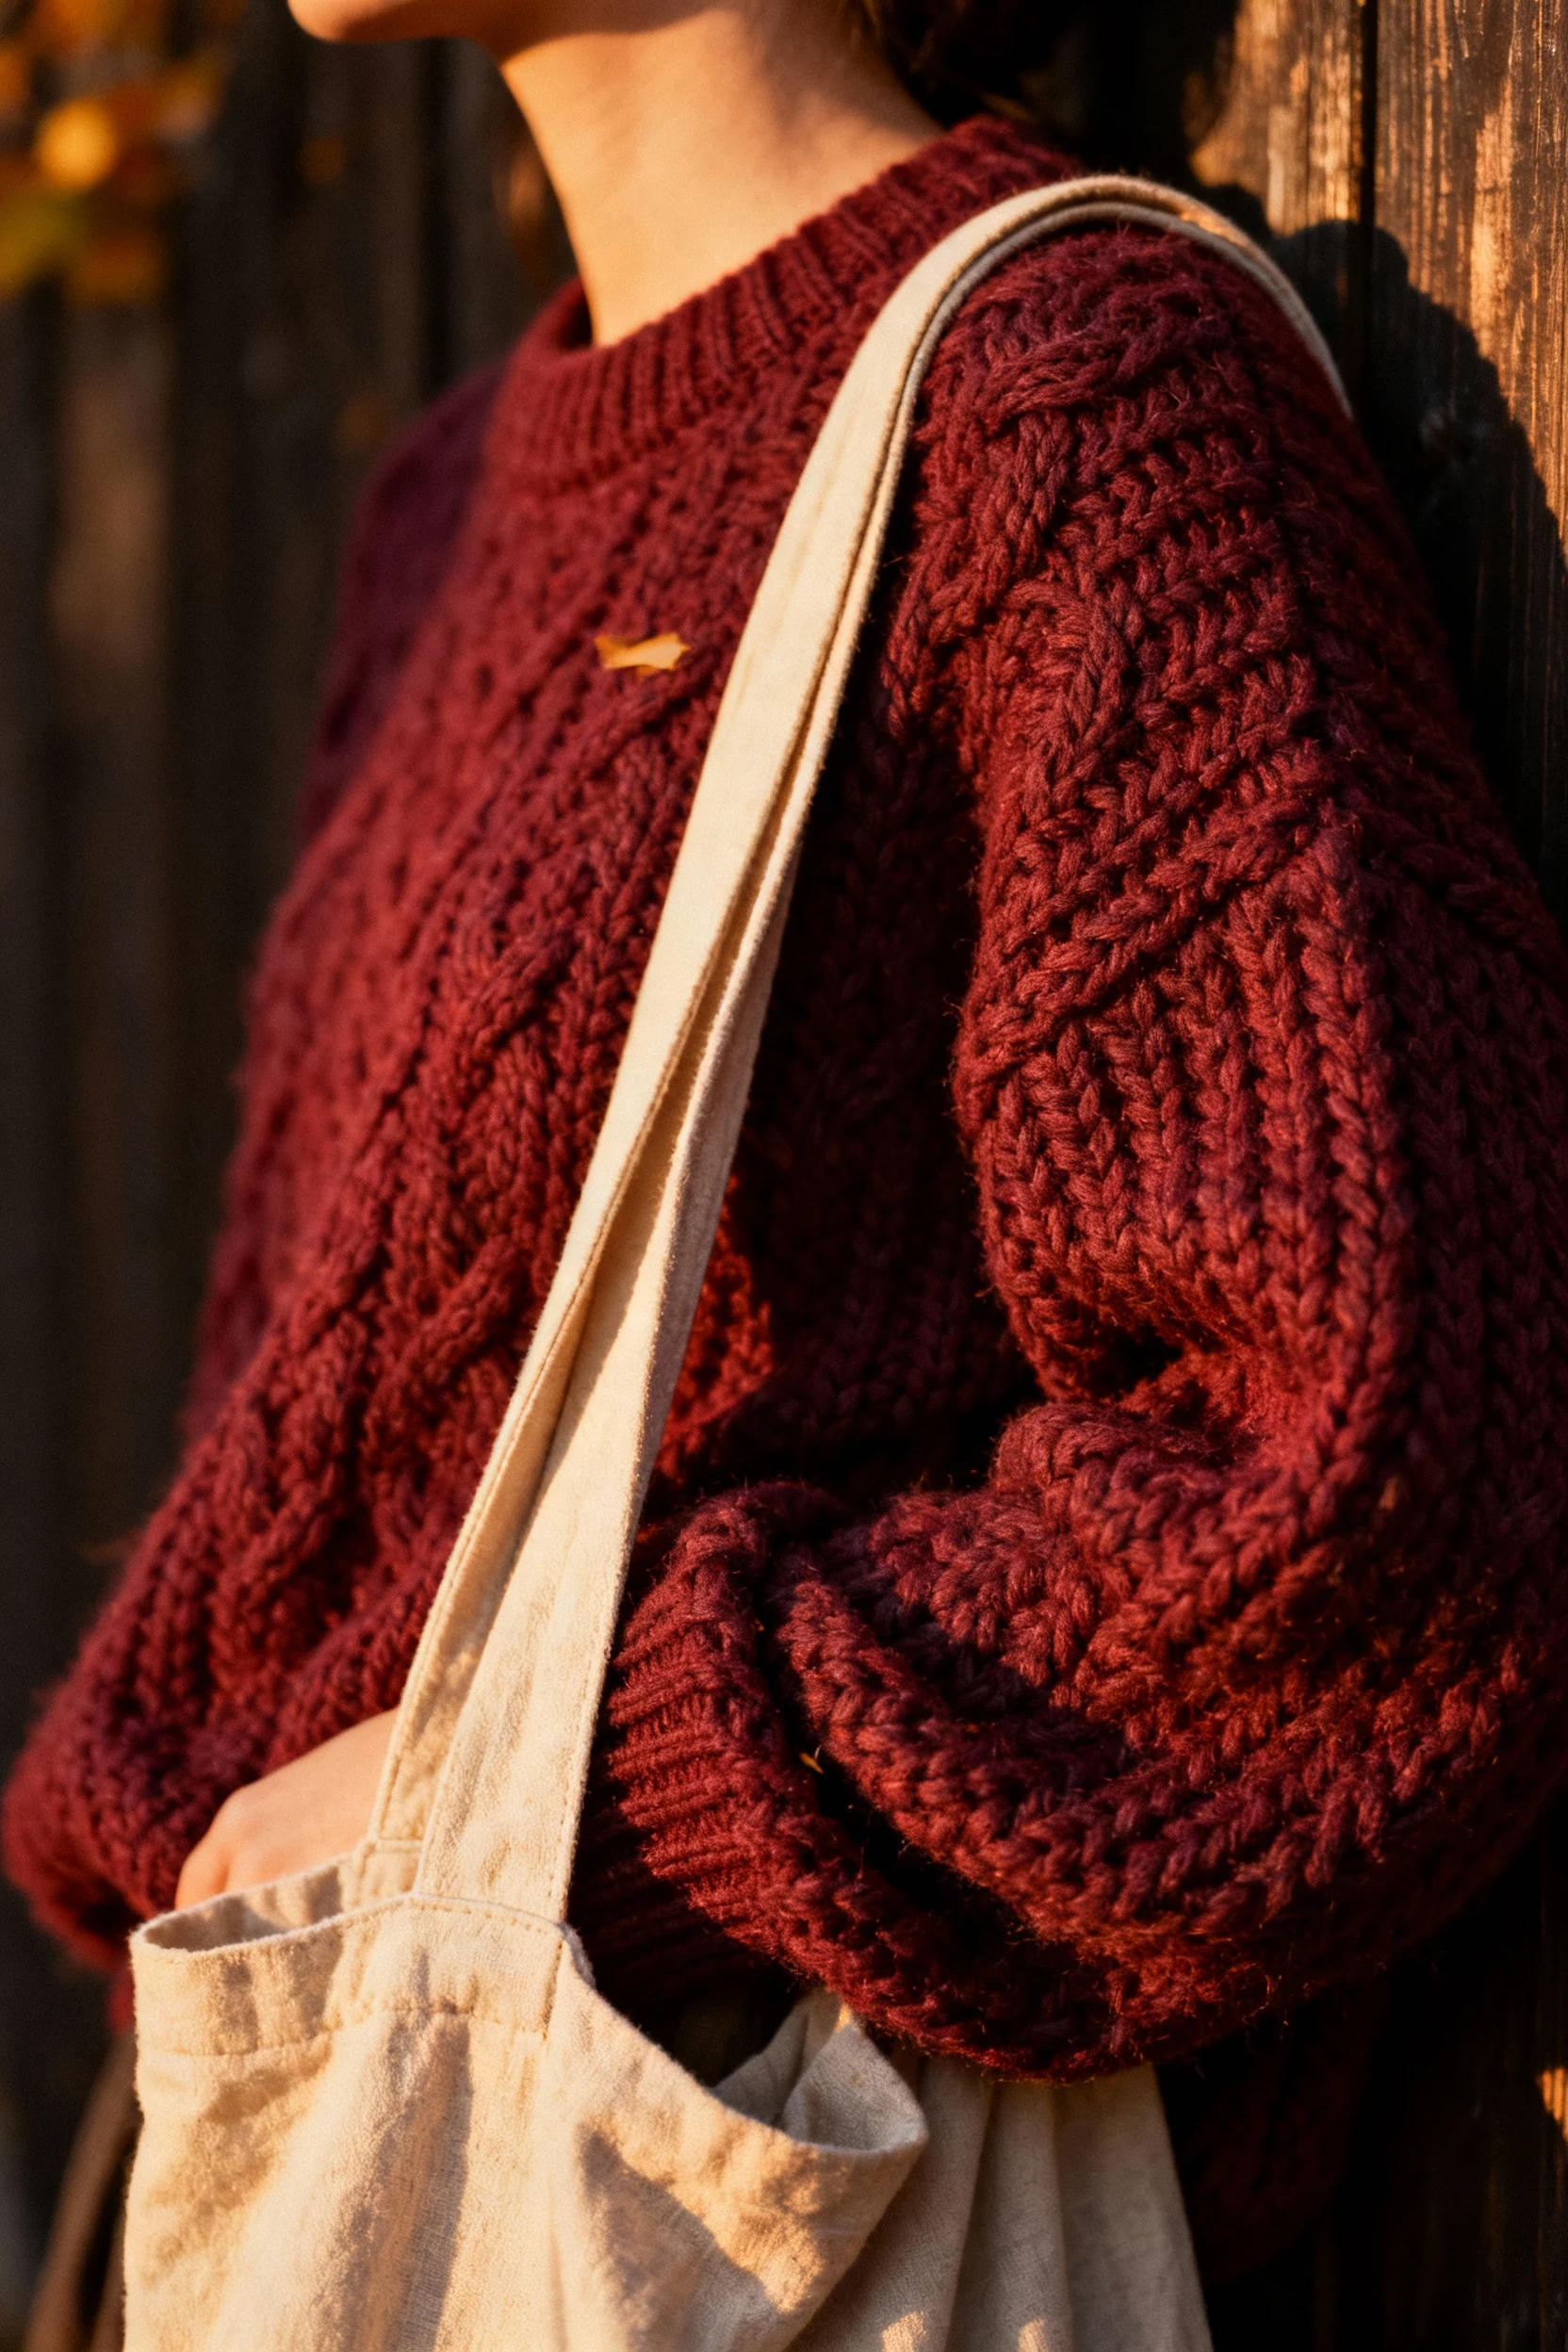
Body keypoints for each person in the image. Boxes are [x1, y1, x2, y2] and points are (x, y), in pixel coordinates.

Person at [7, 0, 1568, 2297]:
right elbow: (307, 1510)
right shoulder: (442, 508)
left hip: (721, 2223)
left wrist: (564, 1805)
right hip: (342, 2186)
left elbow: (1366, 1512)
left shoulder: (1069, 393)